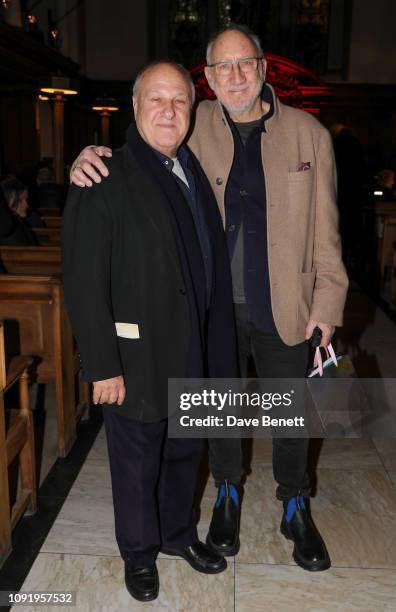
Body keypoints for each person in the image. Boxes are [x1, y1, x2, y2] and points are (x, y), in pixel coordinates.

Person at [70, 24, 348, 572]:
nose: (236, 75)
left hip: (286, 304)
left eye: (245, 63)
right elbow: (145, 148)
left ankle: (295, 502)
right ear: (210, 79)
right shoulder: (194, 130)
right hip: (213, 310)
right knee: (216, 411)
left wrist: (329, 303)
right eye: (223, 67)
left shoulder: (310, 135)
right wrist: (87, 155)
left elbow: (328, 230)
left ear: (264, 69)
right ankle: (226, 493)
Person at [62, 61, 238, 602]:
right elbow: (84, 279)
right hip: (135, 354)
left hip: (195, 345)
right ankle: (139, 554)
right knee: (137, 460)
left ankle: (177, 534)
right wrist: (103, 365)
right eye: (156, 99)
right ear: (134, 108)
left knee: (185, 449)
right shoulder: (103, 175)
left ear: (192, 110)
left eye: (179, 101)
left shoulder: (192, 170)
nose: (168, 110)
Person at [0, 177, 38, 245]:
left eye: (26, 200)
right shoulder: (10, 229)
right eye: (21, 200)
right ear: (9, 200)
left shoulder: (17, 223)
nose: (26, 205)